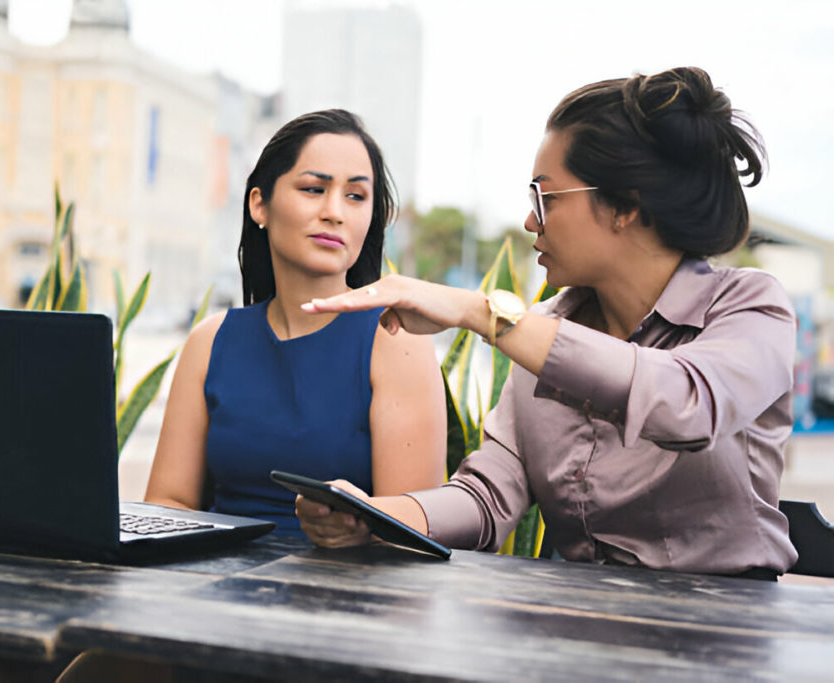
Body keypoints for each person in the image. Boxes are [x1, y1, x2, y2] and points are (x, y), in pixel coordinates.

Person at [295, 67, 799, 579]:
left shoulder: (749, 307)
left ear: (625, 206)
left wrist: (478, 312)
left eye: (546, 197)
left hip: (727, 632)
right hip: (578, 626)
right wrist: (377, 516)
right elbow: (488, 497)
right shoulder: (542, 327)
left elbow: (689, 404)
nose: (530, 221)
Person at [143, 109, 446, 534]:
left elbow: (412, 534)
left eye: (355, 196)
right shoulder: (210, 342)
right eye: (313, 188)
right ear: (259, 204)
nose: (334, 212)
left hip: (345, 592)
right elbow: (168, 504)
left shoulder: (395, 341)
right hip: (212, 587)